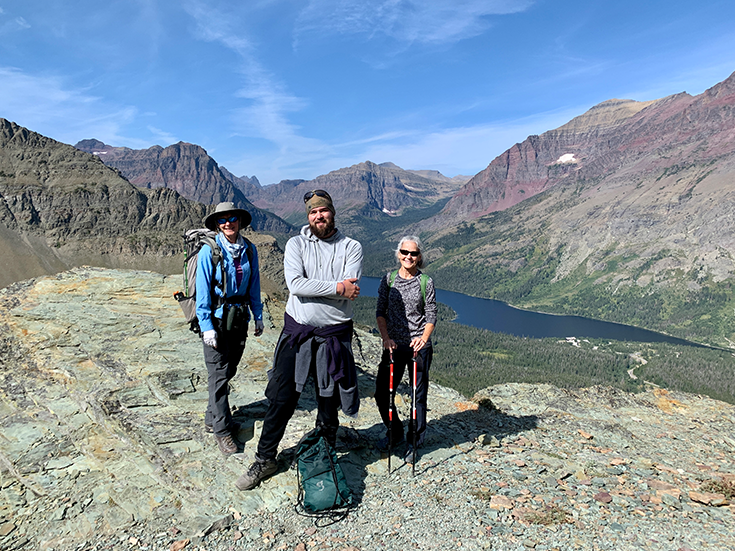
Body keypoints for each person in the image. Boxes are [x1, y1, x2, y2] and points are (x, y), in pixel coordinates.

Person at [236, 189, 363, 490]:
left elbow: (351, 284)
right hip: (299, 333)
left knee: (328, 401)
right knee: (282, 399)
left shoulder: (352, 247)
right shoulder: (296, 244)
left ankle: (325, 452)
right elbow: (295, 284)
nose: (319, 216)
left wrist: (326, 287)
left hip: (333, 336)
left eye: (324, 211)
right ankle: (266, 458)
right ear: (308, 216)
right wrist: (337, 288)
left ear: (333, 212)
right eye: (313, 212)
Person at [197, 202, 264, 455]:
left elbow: (254, 282)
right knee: (218, 374)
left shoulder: (249, 250)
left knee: (230, 369)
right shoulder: (209, 252)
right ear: (217, 224)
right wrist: (207, 327)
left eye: (232, 218)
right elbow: (203, 291)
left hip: (239, 319)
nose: (228, 223)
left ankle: (211, 417)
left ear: (240, 221)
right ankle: (222, 432)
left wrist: (257, 315)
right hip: (215, 320)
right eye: (222, 220)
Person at [374, 236, 437, 464]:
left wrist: (423, 338)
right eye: (404, 252)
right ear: (398, 254)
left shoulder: (425, 282)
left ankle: (414, 442)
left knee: (417, 398)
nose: (408, 257)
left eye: (413, 253)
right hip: (393, 346)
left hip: (418, 347)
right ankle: (395, 431)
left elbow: (431, 314)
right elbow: (381, 311)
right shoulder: (388, 279)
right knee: (382, 393)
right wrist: (386, 338)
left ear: (419, 257)